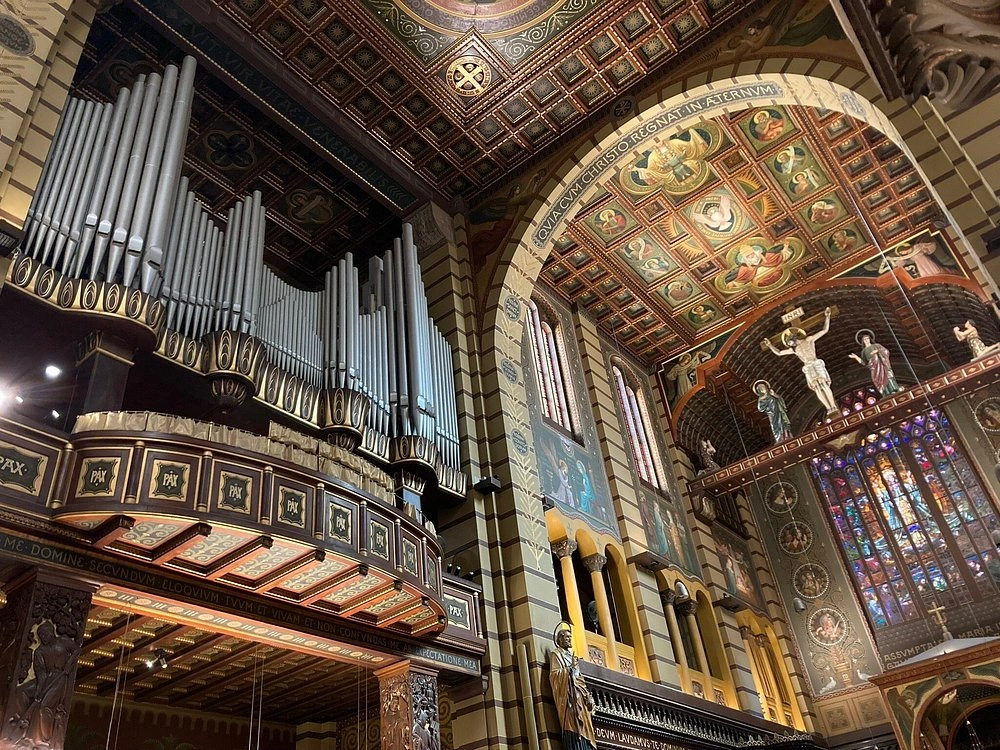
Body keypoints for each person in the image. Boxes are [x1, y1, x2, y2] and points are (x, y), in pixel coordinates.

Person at [6, 621, 79, 748]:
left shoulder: (62, 641)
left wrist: (69, 664)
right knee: (21, 693)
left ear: (51, 632)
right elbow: (40, 672)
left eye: (45, 634)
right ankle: (20, 722)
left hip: (60, 679)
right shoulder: (40, 650)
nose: (43, 637)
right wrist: (39, 691)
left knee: (44, 708)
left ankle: (47, 739)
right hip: (45, 680)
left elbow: (77, 649)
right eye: (41, 635)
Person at [763, 308, 839, 415]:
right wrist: (770, 345)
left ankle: (833, 406)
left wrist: (827, 317)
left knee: (823, 384)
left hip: (815, 363)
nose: (789, 344)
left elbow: (824, 330)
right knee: (817, 387)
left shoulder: (809, 340)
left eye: (789, 342)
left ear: (794, 338)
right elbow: (779, 353)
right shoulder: (794, 350)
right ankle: (828, 408)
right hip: (807, 367)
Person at [549, 622, 597, 750]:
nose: (570, 639)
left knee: (586, 729)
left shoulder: (572, 657)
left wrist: (587, 696)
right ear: (560, 639)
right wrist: (570, 668)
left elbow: (580, 679)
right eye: (567, 637)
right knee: (574, 728)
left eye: (570, 637)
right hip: (569, 701)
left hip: (579, 696)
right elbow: (554, 675)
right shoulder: (556, 654)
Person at [848, 329, 902, 397]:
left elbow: (886, 351)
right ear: (863, 342)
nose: (867, 340)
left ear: (870, 339)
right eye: (865, 339)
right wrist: (856, 357)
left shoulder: (876, 345)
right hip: (874, 368)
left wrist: (877, 351)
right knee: (880, 380)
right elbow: (864, 362)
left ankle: (893, 390)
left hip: (882, 364)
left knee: (888, 377)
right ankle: (886, 393)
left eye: (867, 339)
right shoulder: (864, 351)